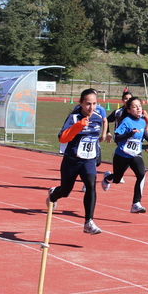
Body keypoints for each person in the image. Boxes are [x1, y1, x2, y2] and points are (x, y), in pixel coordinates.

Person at [45, 88, 106, 234]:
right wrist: (78, 126)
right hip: (72, 160)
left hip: (88, 160)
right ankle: (54, 194)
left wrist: (97, 152)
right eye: (88, 104)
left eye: (94, 104)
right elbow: (62, 138)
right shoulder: (73, 118)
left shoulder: (97, 117)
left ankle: (88, 222)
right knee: (65, 191)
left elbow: (94, 136)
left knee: (91, 185)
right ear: (81, 103)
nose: (91, 107)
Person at [100, 96, 148, 214]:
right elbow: (117, 137)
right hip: (121, 155)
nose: (138, 109)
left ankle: (136, 203)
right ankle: (108, 178)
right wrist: (129, 134)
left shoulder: (142, 121)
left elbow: (144, 134)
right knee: (117, 179)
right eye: (134, 107)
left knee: (141, 174)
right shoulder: (126, 121)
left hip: (135, 154)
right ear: (129, 110)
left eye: (139, 106)